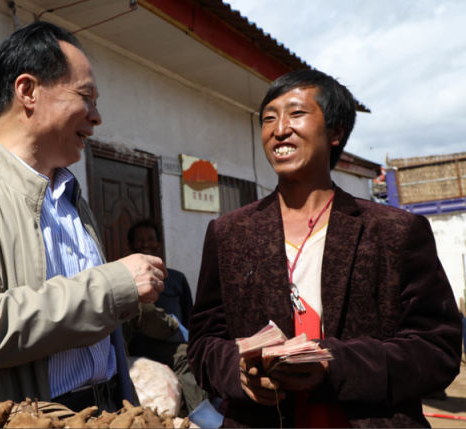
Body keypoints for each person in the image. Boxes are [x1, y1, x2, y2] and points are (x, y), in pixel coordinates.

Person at [0, 21, 167, 414]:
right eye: (86, 97)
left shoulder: (72, 200)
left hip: (100, 413)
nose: (96, 117)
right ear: (27, 91)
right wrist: (114, 287)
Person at [187, 69, 462, 427]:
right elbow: (203, 345)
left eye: (296, 113)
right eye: (268, 118)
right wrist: (237, 373)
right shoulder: (229, 233)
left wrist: (335, 366)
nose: (279, 129)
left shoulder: (394, 231)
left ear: (335, 132)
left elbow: (437, 349)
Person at [124, 220, 207, 415]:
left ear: (159, 244)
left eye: (150, 239)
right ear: (131, 246)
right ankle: (203, 415)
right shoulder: (127, 278)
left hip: (173, 339)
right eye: (140, 240)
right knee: (185, 354)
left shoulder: (176, 278)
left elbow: (189, 314)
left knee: (195, 352)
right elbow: (141, 316)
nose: (145, 244)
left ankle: (202, 409)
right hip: (142, 342)